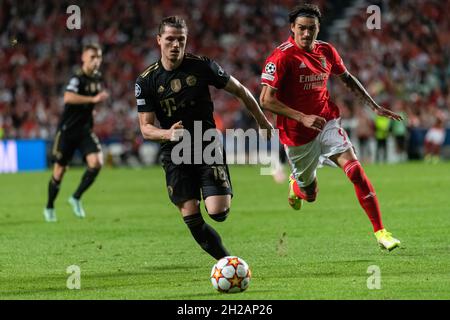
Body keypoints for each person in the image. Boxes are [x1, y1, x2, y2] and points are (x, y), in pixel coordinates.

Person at [259, 4, 402, 251]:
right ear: (292, 28)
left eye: (311, 29)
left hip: (326, 122)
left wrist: (374, 106)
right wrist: (301, 117)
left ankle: (381, 232)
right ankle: (297, 185)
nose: (306, 34)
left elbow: (347, 78)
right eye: (301, 28)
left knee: (355, 171)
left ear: (318, 29)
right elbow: (265, 99)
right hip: (297, 134)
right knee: (310, 194)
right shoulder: (281, 57)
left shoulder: (326, 50)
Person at [135, 16, 273, 260]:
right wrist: (167, 133)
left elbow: (240, 90)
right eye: (169, 39)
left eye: (181, 39)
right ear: (159, 40)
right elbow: (146, 128)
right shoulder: (146, 81)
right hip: (174, 151)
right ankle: (228, 263)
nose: (175, 45)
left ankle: (214, 194)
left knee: (218, 212)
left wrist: (262, 121)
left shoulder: (202, 66)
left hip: (206, 144)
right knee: (191, 217)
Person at [43, 44, 109, 222]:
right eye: (92, 57)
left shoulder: (97, 77)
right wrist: (92, 99)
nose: (96, 61)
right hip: (67, 131)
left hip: (84, 130)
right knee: (60, 171)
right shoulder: (77, 78)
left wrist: (91, 109)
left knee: (96, 162)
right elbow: (68, 97)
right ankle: (49, 206)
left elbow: (89, 102)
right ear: (83, 58)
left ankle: (76, 197)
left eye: (99, 57)